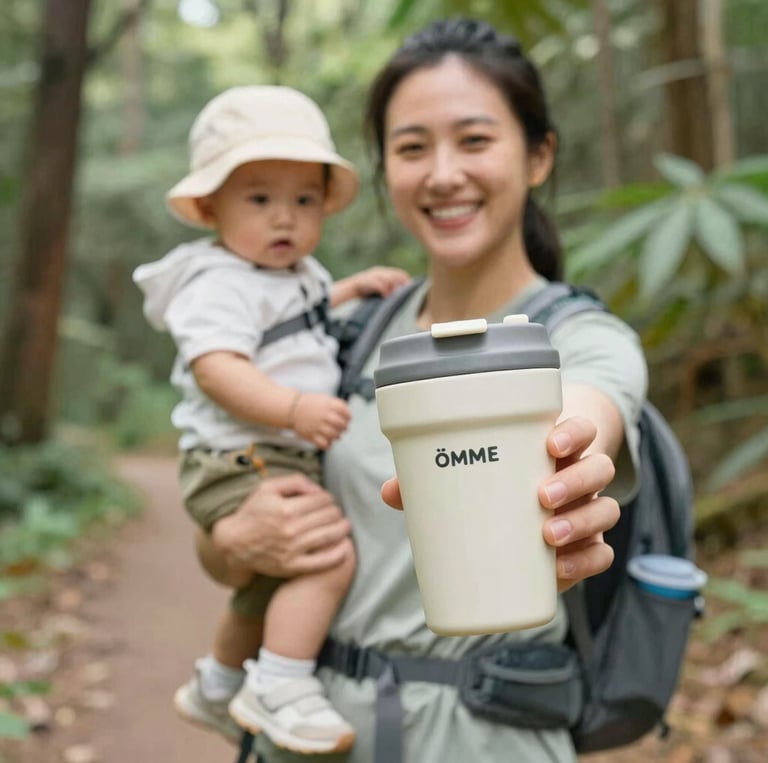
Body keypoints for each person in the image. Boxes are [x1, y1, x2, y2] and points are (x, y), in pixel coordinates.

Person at [197, 18, 648, 763]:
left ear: (538, 156)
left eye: (474, 140)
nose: (442, 173)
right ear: (385, 170)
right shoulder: (345, 331)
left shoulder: (580, 336)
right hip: (309, 736)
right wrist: (231, 541)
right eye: (412, 147)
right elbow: (229, 537)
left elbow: (595, 401)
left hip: (487, 740)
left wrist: (571, 457)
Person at [132, 85, 410, 755]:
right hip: (241, 452)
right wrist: (292, 408)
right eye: (259, 199)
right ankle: (279, 684)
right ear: (209, 207)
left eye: (304, 200)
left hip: (265, 453)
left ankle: (219, 683)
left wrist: (351, 287)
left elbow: (299, 316)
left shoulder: (297, 275)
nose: (284, 218)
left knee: (266, 585)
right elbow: (217, 366)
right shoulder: (216, 283)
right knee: (324, 554)